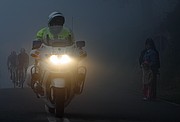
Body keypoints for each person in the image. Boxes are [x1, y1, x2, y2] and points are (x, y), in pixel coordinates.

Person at [27, 11, 86, 87]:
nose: (57, 24)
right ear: (50, 23)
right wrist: (35, 48)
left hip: (65, 54)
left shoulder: (67, 32)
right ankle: (36, 82)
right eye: (54, 22)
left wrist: (79, 49)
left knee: (78, 65)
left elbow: (73, 43)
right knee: (37, 64)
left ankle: (77, 82)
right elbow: (37, 42)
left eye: (59, 22)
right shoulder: (42, 31)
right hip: (48, 54)